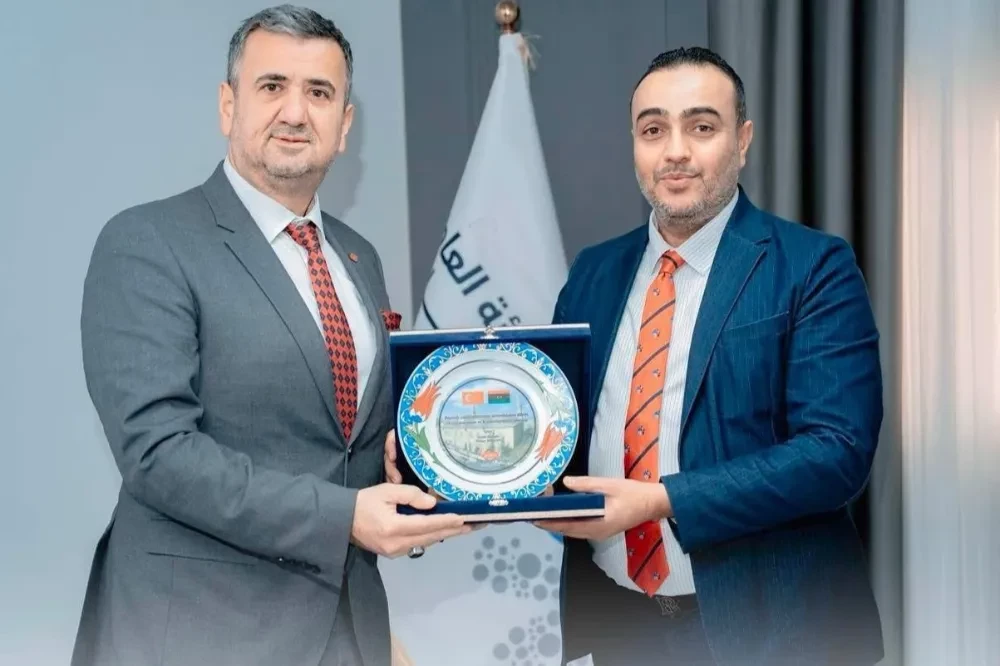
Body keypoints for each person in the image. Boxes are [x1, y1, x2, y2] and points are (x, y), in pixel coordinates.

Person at [388, 45, 884, 666]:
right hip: (620, 625)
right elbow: (554, 429)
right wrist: (442, 458)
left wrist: (659, 501)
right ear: (634, 145)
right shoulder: (594, 272)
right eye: (653, 130)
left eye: (701, 127)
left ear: (742, 141)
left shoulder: (813, 266)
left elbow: (836, 452)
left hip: (772, 630)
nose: (674, 151)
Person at [72, 6, 469, 666]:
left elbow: (337, 444)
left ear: (344, 126)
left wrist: (423, 466)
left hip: (348, 629)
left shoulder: (358, 257)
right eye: (272, 86)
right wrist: (345, 517)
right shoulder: (148, 242)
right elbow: (158, 453)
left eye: (319, 93)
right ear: (228, 106)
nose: (295, 112)